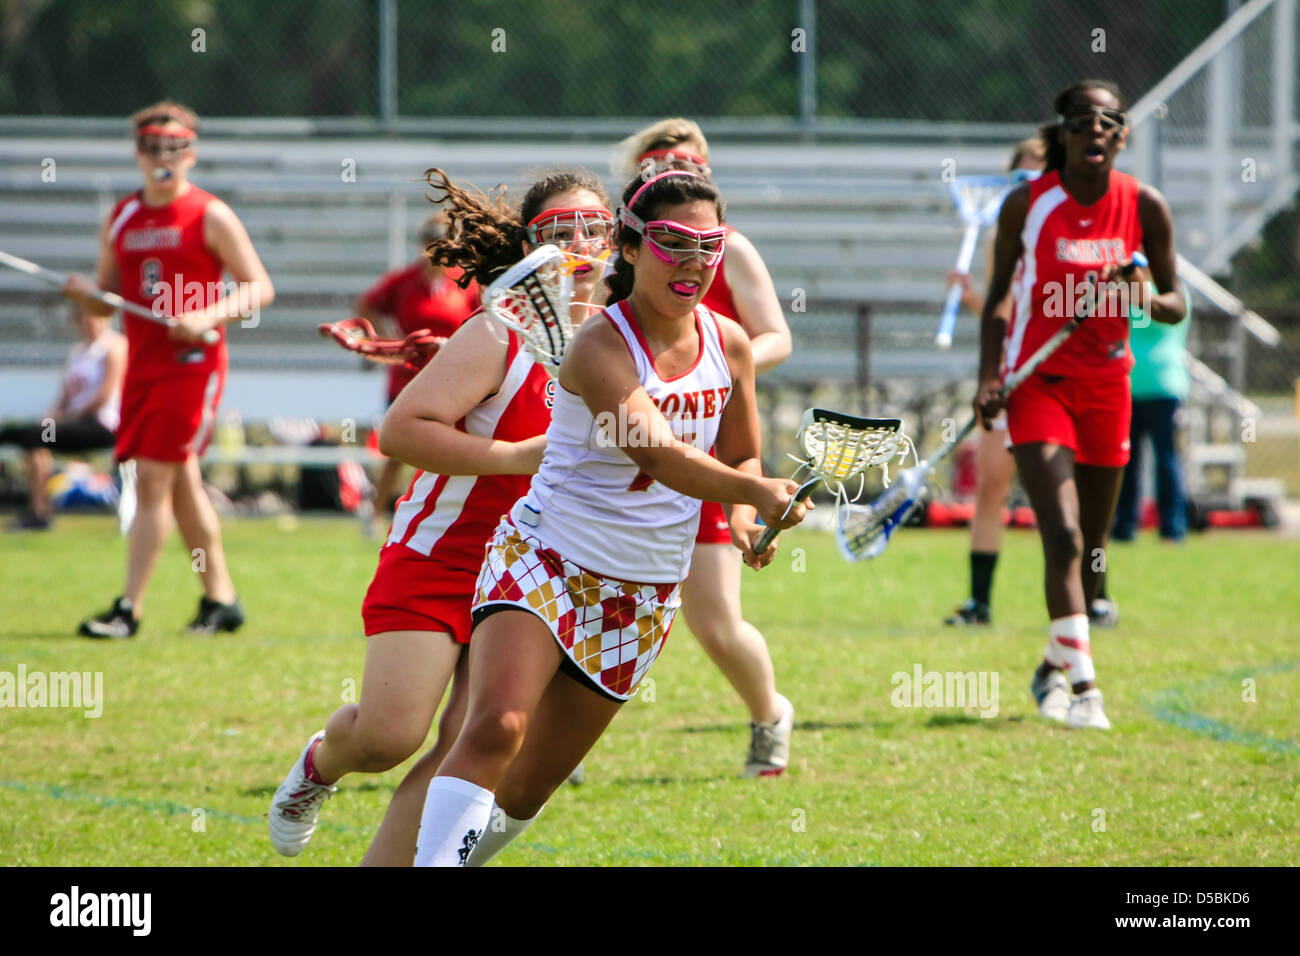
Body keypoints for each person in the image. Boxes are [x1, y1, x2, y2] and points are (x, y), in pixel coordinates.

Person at [412, 170, 807, 867]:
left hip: (642, 593)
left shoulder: (730, 344)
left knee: (529, 788)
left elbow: (741, 455)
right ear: (629, 247)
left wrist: (747, 511)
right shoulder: (599, 346)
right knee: (497, 727)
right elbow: (657, 453)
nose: (692, 260)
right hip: (545, 559)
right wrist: (767, 492)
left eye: (708, 244)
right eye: (671, 241)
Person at [268, 168, 615, 864]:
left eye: (594, 228)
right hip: (443, 553)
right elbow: (401, 431)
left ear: (616, 239)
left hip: (531, 570)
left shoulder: (622, 342)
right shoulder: (498, 333)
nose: (578, 243)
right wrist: (517, 457)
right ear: (529, 245)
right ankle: (319, 766)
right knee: (390, 736)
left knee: (470, 744)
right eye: (557, 231)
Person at [975, 80, 1185, 730]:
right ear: (1063, 133)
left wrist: (1140, 294)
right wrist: (989, 375)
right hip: (1038, 383)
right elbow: (998, 299)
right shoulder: (1028, 204)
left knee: (1093, 548)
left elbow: (1176, 305)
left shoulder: (1145, 206)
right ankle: (1087, 689)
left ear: (1122, 136)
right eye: (1082, 120)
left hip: (1107, 385)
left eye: (1108, 121)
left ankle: (1050, 669)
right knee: (1060, 533)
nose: (1095, 130)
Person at [614, 118, 796, 776]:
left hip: (710, 452)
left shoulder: (731, 249)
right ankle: (546, 741)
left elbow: (774, 336)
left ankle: (770, 714)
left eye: (687, 162)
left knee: (715, 623)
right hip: (622, 464)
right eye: (658, 164)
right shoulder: (622, 259)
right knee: (582, 608)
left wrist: (716, 366)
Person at [65, 101, 274, 638]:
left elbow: (258, 287)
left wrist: (206, 312)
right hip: (143, 365)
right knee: (182, 482)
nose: (163, 158)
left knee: (154, 477)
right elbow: (106, 303)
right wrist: (87, 296)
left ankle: (127, 609)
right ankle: (221, 600)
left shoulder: (209, 213)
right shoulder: (123, 216)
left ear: (190, 154)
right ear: (138, 153)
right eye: (152, 148)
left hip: (192, 365)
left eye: (174, 148)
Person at [943, 137, 1046, 626]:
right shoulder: (999, 237)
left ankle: (1093, 597)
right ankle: (979, 602)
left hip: (1053, 374)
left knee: (1063, 490)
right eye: (1020, 177)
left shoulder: (1064, 235)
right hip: (1009, 375)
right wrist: (971, 299)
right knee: (992, 485)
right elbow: (1000, 313)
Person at [353, 212, 480, 536]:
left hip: (454, 381)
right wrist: (382, 341)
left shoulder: (465, 282)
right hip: (408, 377)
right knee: (397, 450)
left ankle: (448, 515)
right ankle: (377, 515)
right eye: (431, 244)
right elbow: (366, 305)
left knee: (451, 447)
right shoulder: (405, 281)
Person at [1, 308, 126, 531]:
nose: (89, 322)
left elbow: (104, 395)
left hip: (102, 425)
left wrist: (67, 418)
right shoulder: (77, 352)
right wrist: (49, 418)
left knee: (37, 438)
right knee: (28, 435)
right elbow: (65, 398)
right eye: (84, 317)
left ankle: (41, 513)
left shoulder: (114, 346)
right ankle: (39, 508)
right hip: (73, 423)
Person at [1111, 292, 1192, 543]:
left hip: (1164, 387)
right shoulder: (1125, 291)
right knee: (1126, 460)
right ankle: (1124, 527)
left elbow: (1165, 319)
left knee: (1166, 459)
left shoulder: (1172, 293)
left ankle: (1172, 528)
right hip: (1127, 387)